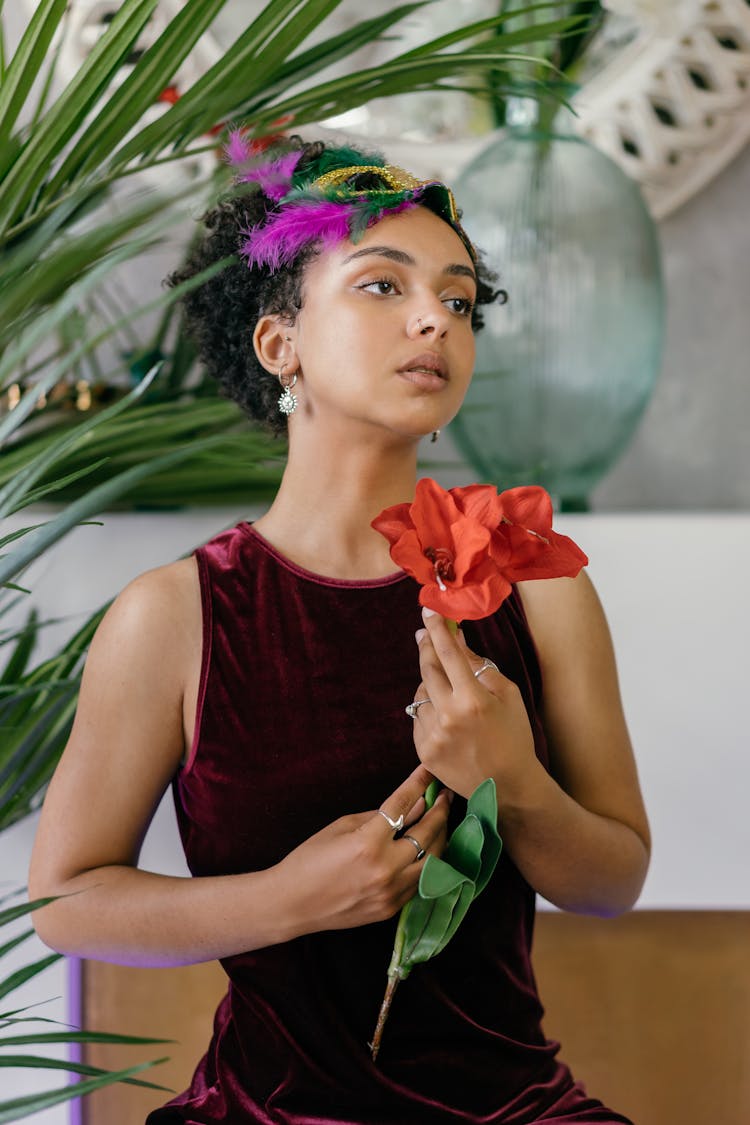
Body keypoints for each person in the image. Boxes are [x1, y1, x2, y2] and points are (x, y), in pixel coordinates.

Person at [29, 135, 651, 1124]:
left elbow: (614, 879)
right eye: (381, 286)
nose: (432, 321)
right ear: (279, 344)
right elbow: (64, 900)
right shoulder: (178, 615)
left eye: (456, 299)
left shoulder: (535, 584)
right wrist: (292, 898)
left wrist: (517, 782)